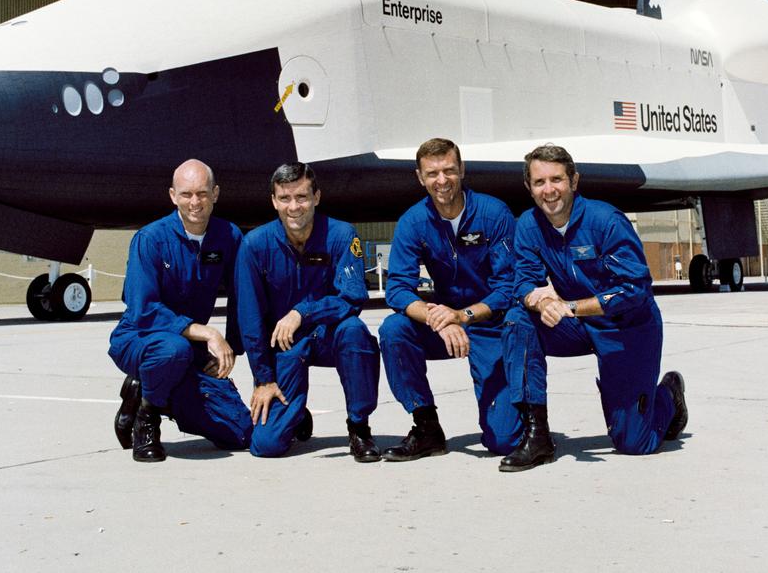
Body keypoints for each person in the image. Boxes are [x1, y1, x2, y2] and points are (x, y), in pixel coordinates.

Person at [500, 144, 688, 472]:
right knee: (519, 320)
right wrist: (542, 301)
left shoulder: (605, 221)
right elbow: (522, 284)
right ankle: (537, 434)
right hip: (578, 326)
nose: (549, 190)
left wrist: (569, 307)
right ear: (529, 188)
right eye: (540, 182)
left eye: (556, 179)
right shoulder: (529, 226)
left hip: (627, 326)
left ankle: (668, 395)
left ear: (574, 181)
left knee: (634, 443)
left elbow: (635, 289)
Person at [379, 138, 521, 461]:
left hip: (490, 324)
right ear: (419, 177)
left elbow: (508, 287)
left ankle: (519, 411)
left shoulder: (494, 214)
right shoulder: (413, 222)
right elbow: (398, 289)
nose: (441, 181)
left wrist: (463, 316)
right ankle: (426, 426)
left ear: (463, 170)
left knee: (504, 441)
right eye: (432, 173)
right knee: (394, 329)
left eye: (449, 171)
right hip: (445, 324)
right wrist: (438, 319)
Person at [107, 159, 252, 462]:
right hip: (140, 338)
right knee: (172, 350)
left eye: (202, 193)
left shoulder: (229, 237)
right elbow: (143, 309)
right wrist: (209, 333)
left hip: (191, 347)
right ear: (173, 195)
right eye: (186, 194)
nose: (195, 202)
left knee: (239, 432)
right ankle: (147, 419)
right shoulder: (150, 239)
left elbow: (242, 298)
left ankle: (148, 389)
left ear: (216, 193)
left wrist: (232, 348)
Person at [236, 162, 382, 461]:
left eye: (302, 197)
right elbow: (249, 319)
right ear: (274, 201)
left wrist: (302, 312)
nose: (294, 206)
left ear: (316, 196)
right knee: (266, 446)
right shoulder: (254, 245)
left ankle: (359, 427)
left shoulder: (341, 235)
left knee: (355, 332)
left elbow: (352, 297)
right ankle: (296, 417)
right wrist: (263, 379)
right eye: (285, 198)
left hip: (330, 335)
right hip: (286, 348)